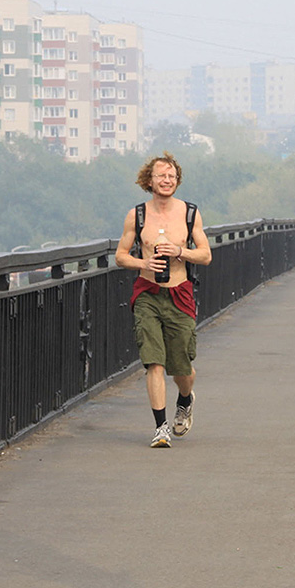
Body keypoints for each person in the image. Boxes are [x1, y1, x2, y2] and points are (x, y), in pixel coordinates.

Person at [115, 152, 213, 448]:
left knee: (181, 367)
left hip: (179, 293)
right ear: (149, 180)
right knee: (153, 362)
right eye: (161, 175)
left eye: (171, 176)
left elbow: (206, 255)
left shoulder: (189, 213)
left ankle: (185, 399)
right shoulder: (137, 215)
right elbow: (120, 255)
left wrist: (180, 252)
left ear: (177, 180)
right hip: (147, 294)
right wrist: (142, 264)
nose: (167, 180)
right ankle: (161, 427)